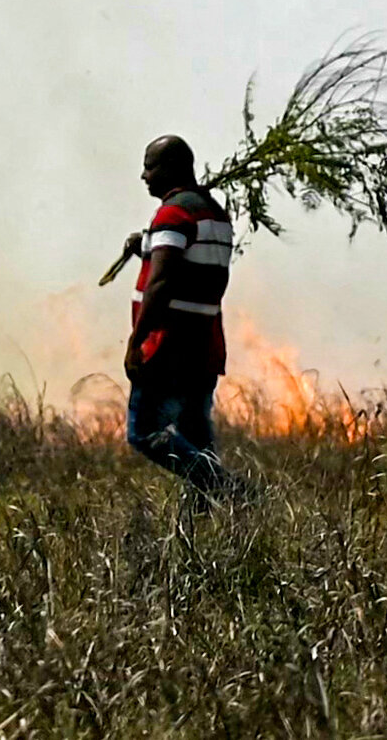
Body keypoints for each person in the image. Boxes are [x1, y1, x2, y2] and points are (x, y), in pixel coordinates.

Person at [119, 134, 239, 505]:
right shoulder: (214, 214)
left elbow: (163, 282)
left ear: (171, 169)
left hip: (170, 347)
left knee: (145, 432)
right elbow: (189, 263)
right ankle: (210, 533)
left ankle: (233, 492)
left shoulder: (173, 214)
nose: (144, 176)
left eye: (149, 166)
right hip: (203, 348)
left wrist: (136, 341)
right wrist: (145, 243)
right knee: (196, 439)